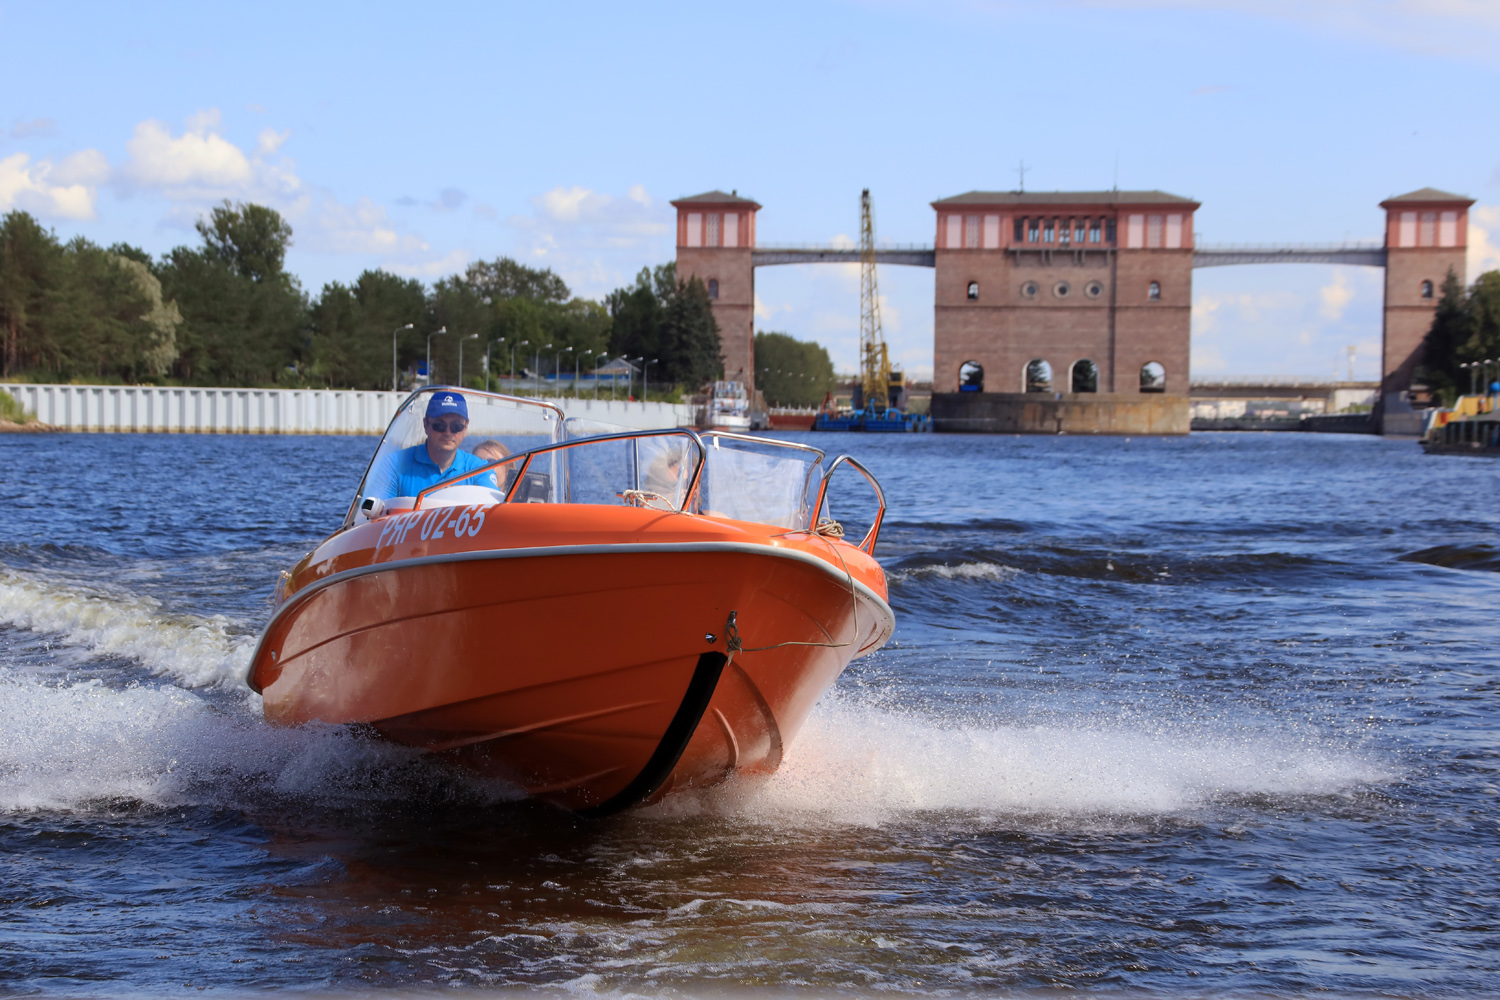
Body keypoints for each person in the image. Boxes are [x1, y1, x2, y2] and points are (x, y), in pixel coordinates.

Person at [364, 392, 496, 499]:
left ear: (466, 428)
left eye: (456, 427)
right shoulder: (393, 464)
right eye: (440, 426)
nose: (448, 433)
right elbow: (376, 519)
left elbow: (492, 513)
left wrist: (459, 497)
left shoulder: (480, 470)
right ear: (426, 424)